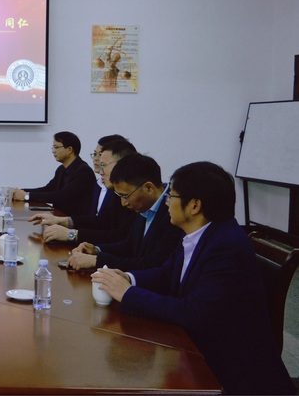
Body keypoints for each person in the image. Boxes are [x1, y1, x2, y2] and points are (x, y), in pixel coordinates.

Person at [91, 162, 295, 395]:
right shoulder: (200, 233)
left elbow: (193, 313)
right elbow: (166, 273)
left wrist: (128, 294)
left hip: (231, 369)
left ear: (194, 206)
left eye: (171, 196)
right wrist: (128, 278)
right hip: (201, 347)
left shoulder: (226, 245)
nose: (166, 202)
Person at [67, 153, 183, 271]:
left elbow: (152, 264)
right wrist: (96, 250)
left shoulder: (174, 213)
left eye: (125, 196)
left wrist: (98, 261)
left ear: (149, 188)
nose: (123, 203)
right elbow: (130, 245)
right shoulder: (144, 204)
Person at [30, 138, 138, 245]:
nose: (100, 172)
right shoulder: (114, 191)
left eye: (103, 165)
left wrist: (71, 234)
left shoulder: (133, 196)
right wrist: (63, 221)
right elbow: (103, 221)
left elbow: (121, 236)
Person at [12, 131, 95, 216]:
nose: (53, 151)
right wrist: (21, 192)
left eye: (56, 147)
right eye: (53, 148)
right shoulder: (61, 169)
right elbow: (47, 189)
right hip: (59, 216)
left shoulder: (84, 172)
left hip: (74, 220)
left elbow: (62, 196)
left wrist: (27, 196)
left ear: (69, 149)